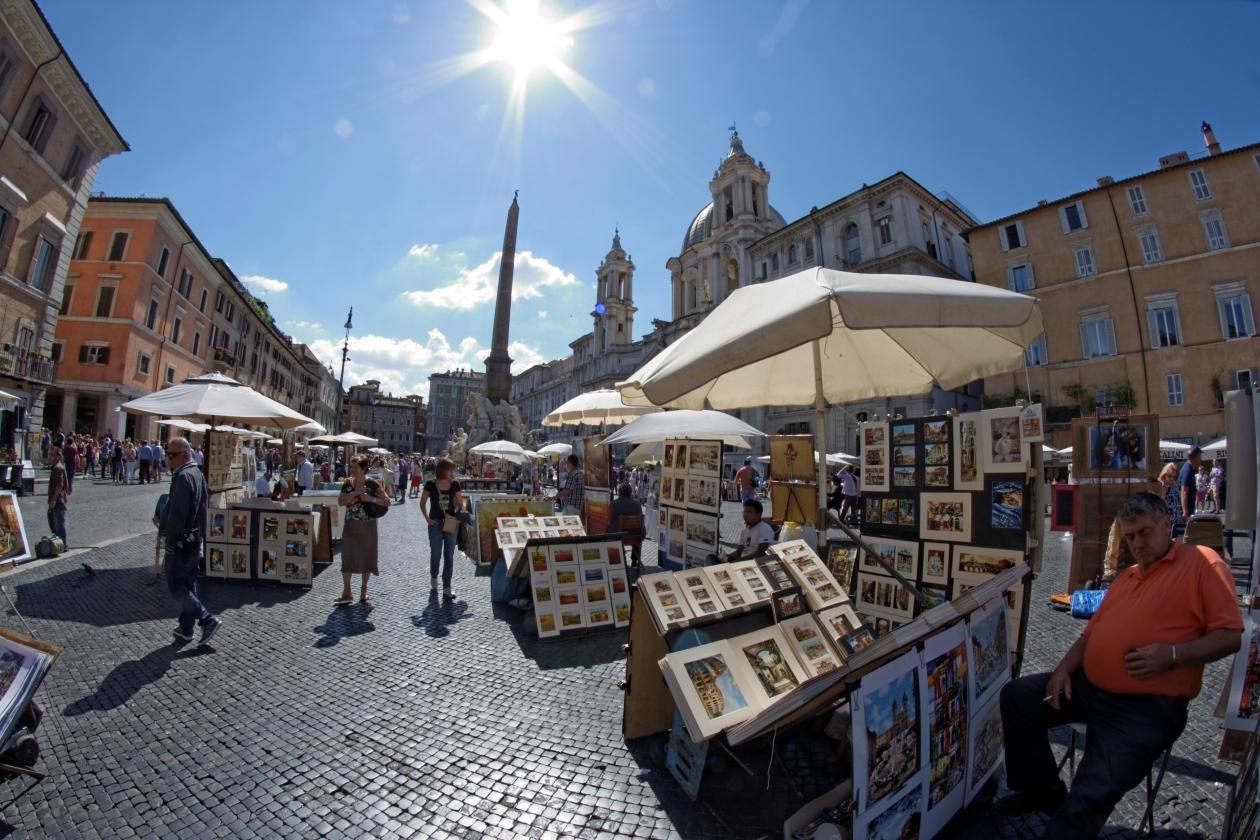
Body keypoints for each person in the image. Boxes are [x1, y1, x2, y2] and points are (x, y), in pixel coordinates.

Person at [995, 491, 1241, 837]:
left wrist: (1172, 654)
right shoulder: (1127, 577)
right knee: (1018, 696)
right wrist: (1064, 669)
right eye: (1130, 536)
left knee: (1089, 794)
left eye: (1144, 532)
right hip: (1091, 689)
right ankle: (1042, 791)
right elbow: (1088, 638)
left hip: (1147, 708)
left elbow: (1230, 635)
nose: (1137, 543)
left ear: (1167, 525)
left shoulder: (1203, 563)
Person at [159, 438, 221, 646]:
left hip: (181, 542)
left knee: (177, 586)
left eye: (172, 455)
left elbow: (177, 515)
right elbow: (203, 510)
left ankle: (206, 619)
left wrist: (169, 543)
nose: (169, 459)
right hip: (194, 539)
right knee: (188, 584)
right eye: (168, 454)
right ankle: (186, 628)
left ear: (185, 455)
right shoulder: (197, 474)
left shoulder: (184, 477)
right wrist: (202, 538)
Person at [336, 455, 387, 605]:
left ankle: (364, 590)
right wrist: (354, 493)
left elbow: (387, 501)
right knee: (347, 558)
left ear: (364, 469)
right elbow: (340, 502)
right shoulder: (347, 483)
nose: (352, 470)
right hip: (350, 525)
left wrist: (370, 499)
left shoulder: (373, 484)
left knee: (367, 557)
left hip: (368, 526)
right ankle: (347, 592)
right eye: (351, 467)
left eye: (355, 468)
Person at [420, 458, 462, 600]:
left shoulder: (455, 484)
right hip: (435, 524)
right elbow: (422, 503)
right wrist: (427, 519)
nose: (453, 472)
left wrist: (456, 510)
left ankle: (447, 587)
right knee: (436, 554)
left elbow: (460, 503)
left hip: (450, 523)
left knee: (449, 556)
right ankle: (433, 577)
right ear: (443, 470)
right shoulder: (430, 484)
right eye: (451, 469)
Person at [610, 483, 645, 566]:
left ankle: (614, 557)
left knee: (610, 529)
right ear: (630, 492)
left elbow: (610, 520)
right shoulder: (637, 504)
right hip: (635, 536)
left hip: (619, 536)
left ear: (620, 492)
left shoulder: (614, 504)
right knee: (637, 530)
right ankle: (635, 560)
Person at [46, 446, 68, 548]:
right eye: (49, 454)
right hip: (58, 499)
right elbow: (65, 483)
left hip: (58, 501)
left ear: (57, 457)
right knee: (55, 524)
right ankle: (59, 545)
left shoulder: (57, 468)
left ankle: (62, 546)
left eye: (51, 455)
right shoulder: (58, 467)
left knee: (59, 526)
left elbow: (60, 485)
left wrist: (53, 500)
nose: (49, 457)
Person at [1177, 446, 1201, 530]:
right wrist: (1185, 512)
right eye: (1200, 457)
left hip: (1188, 510)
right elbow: (1184, 491)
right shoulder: (1187, 470)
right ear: (1196, 457)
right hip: (1185, 513)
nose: (1200, 460)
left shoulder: (1189, 469)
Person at [556, 454, 584, 518]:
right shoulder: (580, 473)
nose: (566, 465)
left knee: (568, 526)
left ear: (570, 463)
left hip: (571, 507)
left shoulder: (572, 474)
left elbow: (567, 491)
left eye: (567, 463)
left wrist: (556, 496)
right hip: (577, 507)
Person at [1157, 462, 1182, 527]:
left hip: (1175, 519)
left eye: (1174, 476)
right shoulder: (1163, 486)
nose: (1172, 478)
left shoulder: (1174, 486)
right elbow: (1160, 503)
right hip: (1167, 520)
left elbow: (1177, 502)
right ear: (1164, 475)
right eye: (1169, 476)